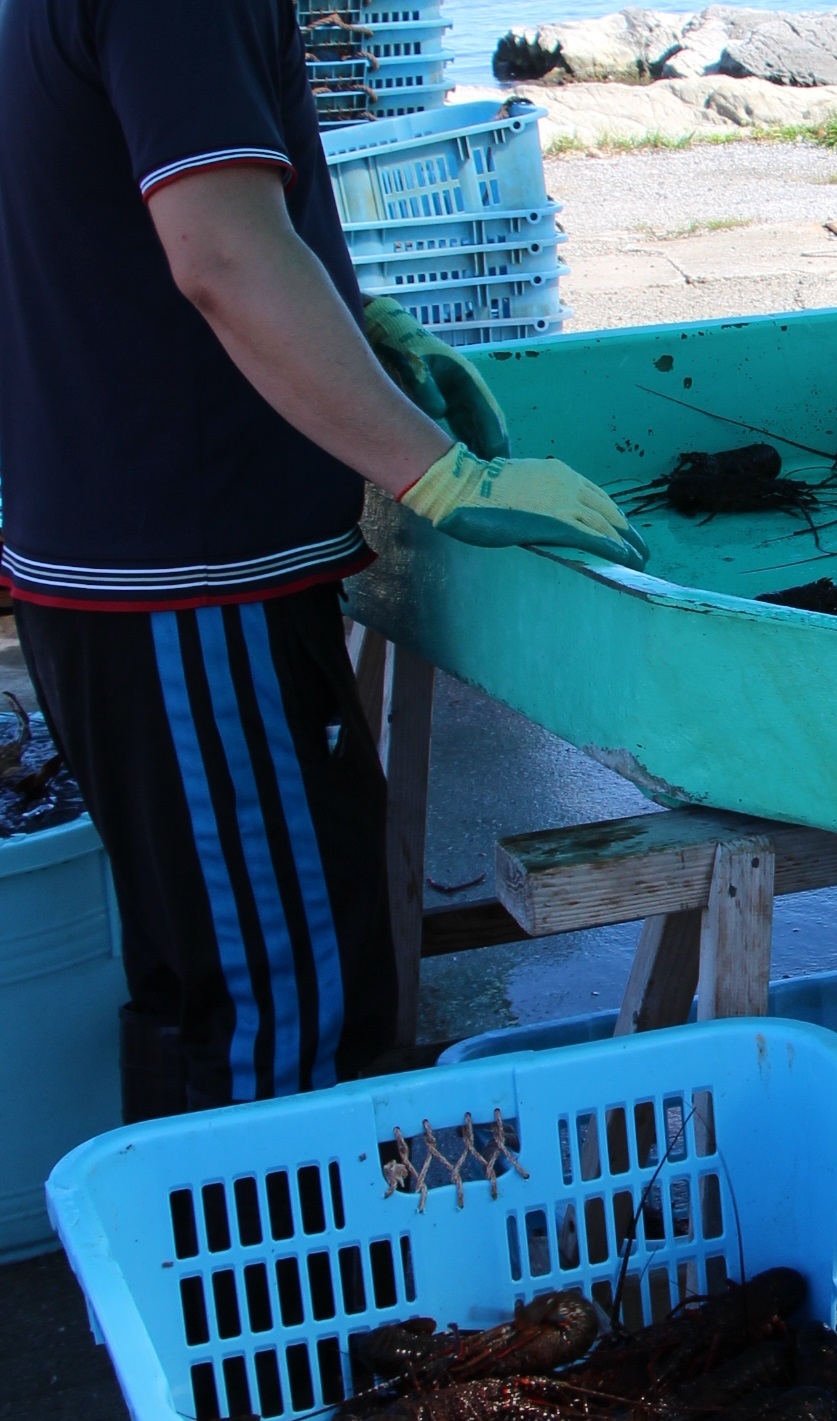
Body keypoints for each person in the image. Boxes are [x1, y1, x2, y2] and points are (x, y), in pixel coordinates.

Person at [0, 0, 645, 1116]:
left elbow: (110, 220)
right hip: (193, 583)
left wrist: (354, 324)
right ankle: (307, 1284)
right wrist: (442, 471)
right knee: (280, 1003)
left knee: (201, 970)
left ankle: (193, 1271)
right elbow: (225, 257)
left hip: (114, 569)